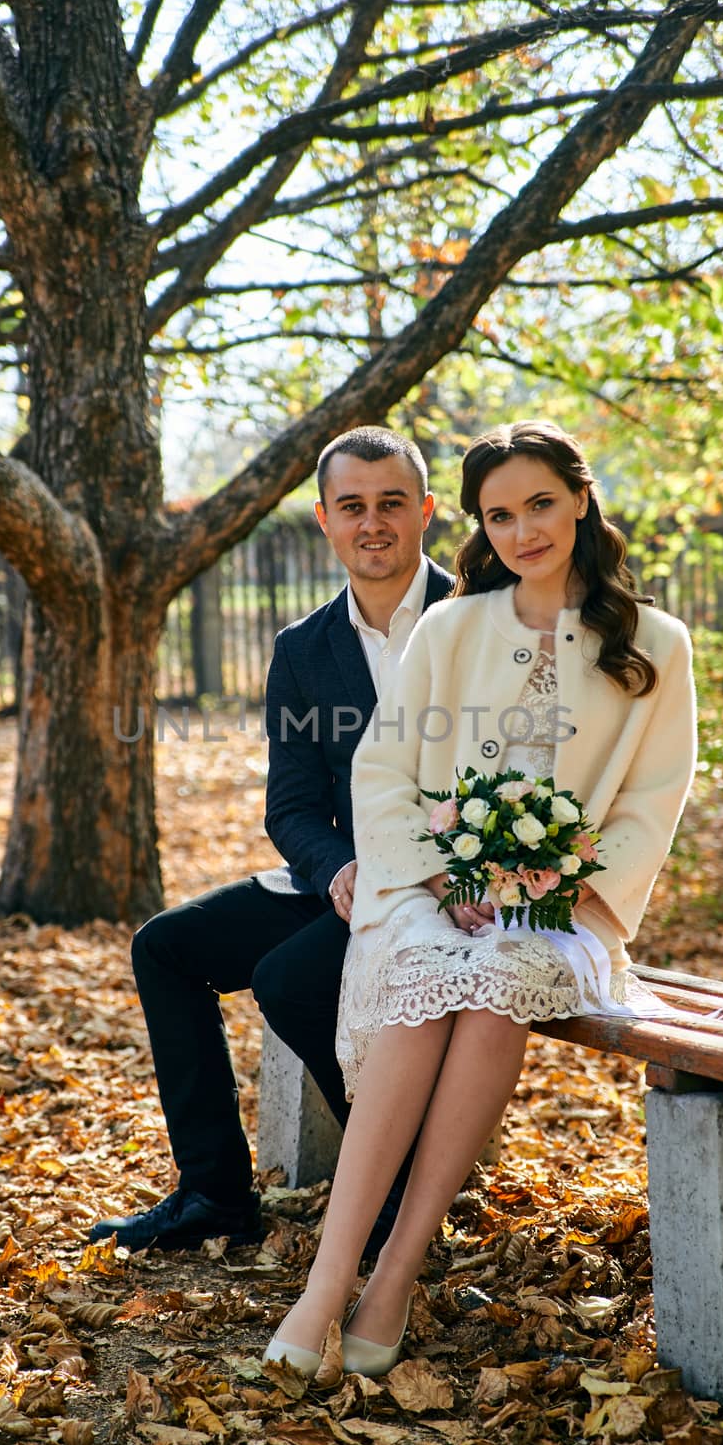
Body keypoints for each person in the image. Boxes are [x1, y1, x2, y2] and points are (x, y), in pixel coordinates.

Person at [265, 419, 697, 1376]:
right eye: (499, 515)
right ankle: (329, 1281)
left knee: (499, 979)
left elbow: (651, 803)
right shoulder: (453, 624)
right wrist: (438, 874)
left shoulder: (656, 643)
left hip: (565, 909)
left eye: (540, 503)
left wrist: (557, 883)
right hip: (428, 884)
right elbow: (383, 773)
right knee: (429, 977)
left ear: (581, 499)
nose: (522, 531)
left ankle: (396, 1275)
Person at [90, 426, 453, 1253]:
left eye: (392, 504)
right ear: (323, 520)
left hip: (449, 890)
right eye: (352, 506)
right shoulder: (300, 650)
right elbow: (289, 807)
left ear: (426, 511)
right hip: (349, 881)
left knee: (286, 979)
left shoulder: (474, 619)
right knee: (167, 948)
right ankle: (215, 1195)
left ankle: (398, 1190)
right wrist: (337, 870)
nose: (373, 524)